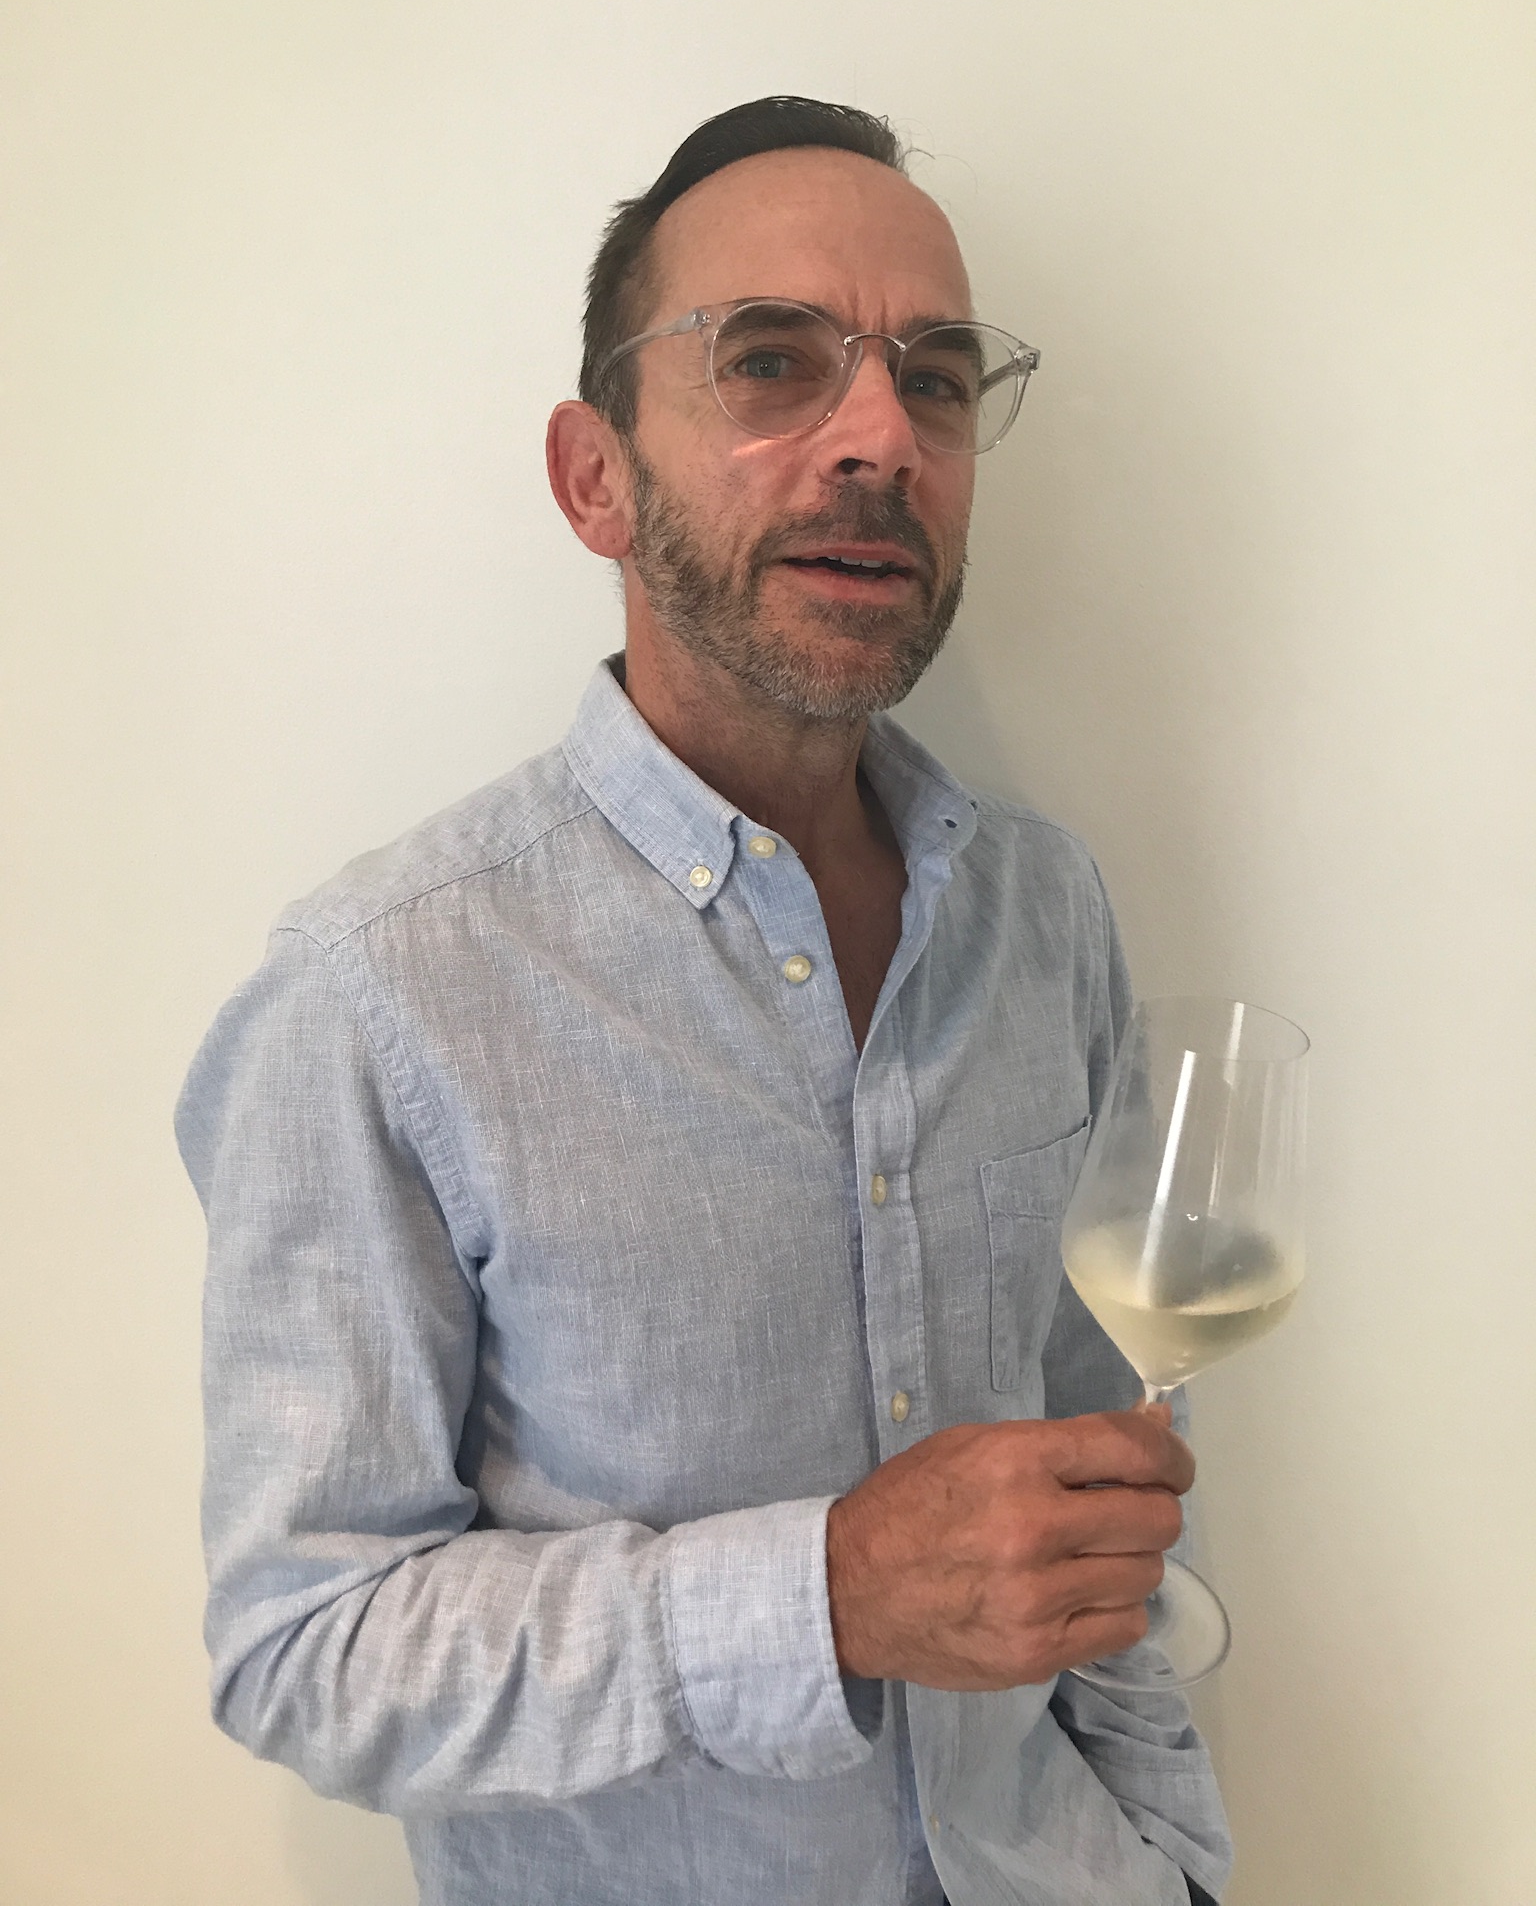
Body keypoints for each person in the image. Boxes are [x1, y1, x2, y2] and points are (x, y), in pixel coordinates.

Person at [177, 96, 1232, 1906]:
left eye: (937, 379)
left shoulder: (1045, 913)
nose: (881, 437)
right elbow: (306, 1649)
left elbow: (1106, 1466)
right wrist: (822, 1596)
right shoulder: (378, 993)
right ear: (595, 474)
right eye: (770, 361)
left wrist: (1171, 1856)